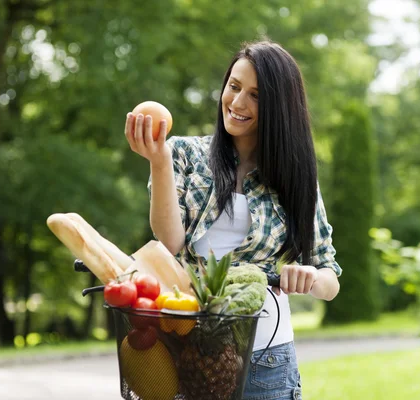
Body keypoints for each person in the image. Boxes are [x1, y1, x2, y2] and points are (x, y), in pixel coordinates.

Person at [125, 40, 341, 400]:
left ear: (279, 108)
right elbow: (170, 242)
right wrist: (158, 161)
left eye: (256, 95)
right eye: (234, 87)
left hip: (266, 360)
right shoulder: (181, 154)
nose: (238, 103)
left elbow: (330, 276)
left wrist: (311, 277)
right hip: (187, 351)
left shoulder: (297, 178)